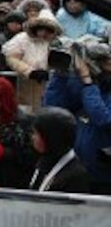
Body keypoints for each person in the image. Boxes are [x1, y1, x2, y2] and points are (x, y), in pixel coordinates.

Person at [42, 40, 111, 195]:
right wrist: (60, 75)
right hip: (77, 172)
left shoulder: (89, 87)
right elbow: (53, 109)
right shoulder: (86, 87)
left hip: (104, 176)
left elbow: (104, 119)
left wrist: (88, 82)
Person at [28, 107, 90, 193]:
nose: (32, 137)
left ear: (51, 138)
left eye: (37, 134)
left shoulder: (75, 175)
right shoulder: (43, 161)